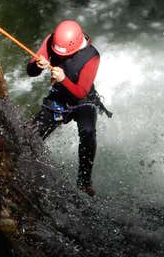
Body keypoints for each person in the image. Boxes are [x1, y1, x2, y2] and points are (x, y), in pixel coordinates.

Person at [26, 20, 111, 197]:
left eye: (63, 54)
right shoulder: (52, 40)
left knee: (87, 133)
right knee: (30, 135)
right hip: (59, 97)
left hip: (83, 99)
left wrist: (63, 79)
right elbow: (31, 71)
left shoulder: (91, 55)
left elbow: (81, 92)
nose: (61, 57)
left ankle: (84, 181)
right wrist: (37, 65)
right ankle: (29, 165)